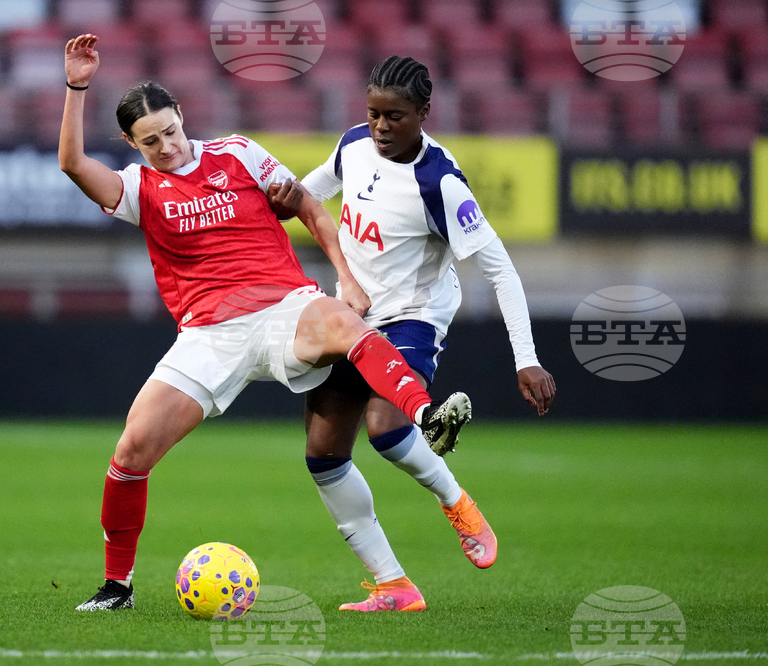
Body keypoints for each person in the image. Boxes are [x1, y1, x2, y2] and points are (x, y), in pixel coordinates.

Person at [59, 36, 461, 611]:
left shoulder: (238, 152)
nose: (166, 147)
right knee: (130, 453)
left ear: (182, 119)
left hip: (282, 308)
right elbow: (72, 164)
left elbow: (303, 203)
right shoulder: (138, 188)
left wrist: (345, 278)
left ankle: (426, 414)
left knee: (347, 326)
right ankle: (116, 586)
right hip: (207, 335)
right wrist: (77, 86)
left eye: (171, 131)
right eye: (150, 141)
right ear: (130, 143)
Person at [299, 56, 557, 612]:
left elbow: (500, 269)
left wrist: (526, 358)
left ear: (423, 113)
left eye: (395, 116)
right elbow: (305, 192)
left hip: (412, 314)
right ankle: (394, 585)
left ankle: (456, 500)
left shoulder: (440, 183)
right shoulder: (353, 145)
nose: (381, 127)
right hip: (351, 314)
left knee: (385, 424)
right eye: (373, 114)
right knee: (322, 453)